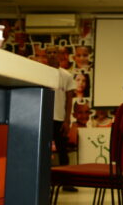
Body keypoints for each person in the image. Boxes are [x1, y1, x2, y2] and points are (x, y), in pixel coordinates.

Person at [45, 45, 78, 192]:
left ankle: (66, 182)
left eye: (55, 52)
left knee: (63, 152)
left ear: (60, 55)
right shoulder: (40, 73)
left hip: (59, 119)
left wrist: (67, 120)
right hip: (44, 118)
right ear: (46, 55)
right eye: (49, 53)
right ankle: (45, 182)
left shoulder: (66, 75)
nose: (52, 55)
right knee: (45, 153)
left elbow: (69, 99)